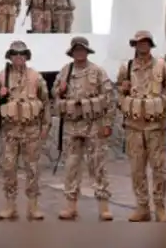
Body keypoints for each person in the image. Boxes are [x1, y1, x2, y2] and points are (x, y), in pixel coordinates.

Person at [116, 30, 166, 222]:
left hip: (155, 127)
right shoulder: (126, 68)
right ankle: (142, 207)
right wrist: (123, 91)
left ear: (150, 45)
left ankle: (160, 207)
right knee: (137, 169)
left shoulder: (162, 67)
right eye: (139, 43)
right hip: (134, 127)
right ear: (134, 45)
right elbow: (119, 95)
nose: (142, 45)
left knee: (159, 168)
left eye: (145, 42)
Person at [53, 36, 115, 221]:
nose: (79, 53)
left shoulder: (97, 71)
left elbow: (109, 98)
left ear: (87, 52)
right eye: (76, 50)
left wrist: (107, 123)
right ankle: (70, 206)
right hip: (72, 126)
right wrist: (59, 90)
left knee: (97, 165)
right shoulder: (65, 71)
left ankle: (103, 207)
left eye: (82, 50)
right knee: (71, 166)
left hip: (93, 125)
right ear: (72, 53)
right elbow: (55, 93)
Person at [0, 40, 50, 220]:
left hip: (31, 130)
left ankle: (33, 206)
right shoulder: (2, 77)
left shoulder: (36, 77)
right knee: (9, 168)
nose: (19, 57)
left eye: (22, 54)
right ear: (10, 57)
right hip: (10, 131)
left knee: (32, 168)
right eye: (15, 54)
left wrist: (45, 126)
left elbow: (45, 102)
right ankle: (10, 205)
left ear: (27, 57)